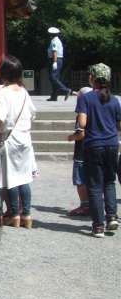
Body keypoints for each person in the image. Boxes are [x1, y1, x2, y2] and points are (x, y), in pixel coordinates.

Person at [0, 55, 37, 228]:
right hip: (25, 138)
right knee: (24, 177)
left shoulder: (3, 92)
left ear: (3, 73)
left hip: (9, 139)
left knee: (10, 177)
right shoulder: (24, 92)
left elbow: (0, 118)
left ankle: (14, 215)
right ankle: (27, 215)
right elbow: (33, 113)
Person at [75, 63, 121, 238]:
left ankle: (98, 226)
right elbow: (119, 125)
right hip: (112, 144)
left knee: (94, 186)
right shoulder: (115, 99)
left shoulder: (86, 98)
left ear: (92, 78)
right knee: (109, 182)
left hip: (93, 145)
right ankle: (111, 217)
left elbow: (83, 123)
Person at [67, 87, 93, 217]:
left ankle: (85, 205)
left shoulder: (82, 114)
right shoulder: (95, 110)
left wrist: (71, 137)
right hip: (92, 150)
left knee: (79, 179)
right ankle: (93, 204)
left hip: (81, 151)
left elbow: (81, 133)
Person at [46, 26, 73, 101]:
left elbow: (55, 52)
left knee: (53, 77)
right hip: (58, 60)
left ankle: (66, 90)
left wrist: (54, 62)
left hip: (55, 60)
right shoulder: (57, 40)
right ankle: (54, 96)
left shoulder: (54, 41)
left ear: (51, 34)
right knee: (55, 78)